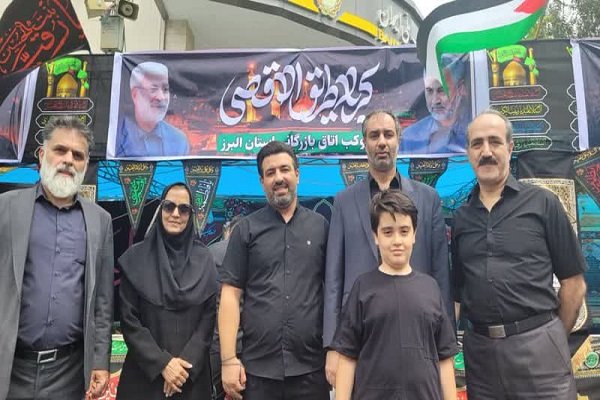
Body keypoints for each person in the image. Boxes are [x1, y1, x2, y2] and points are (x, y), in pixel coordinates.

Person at [452, 109, 587, 399]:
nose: (486, 152)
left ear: (510, 147)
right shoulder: (461, 218)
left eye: (494, 141)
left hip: (540, 351)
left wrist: (551, 336)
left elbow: (574, 285)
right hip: (482, 360)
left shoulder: (543, 204)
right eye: (477, 144)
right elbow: (458, 293)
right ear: (468, 154)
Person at [323, 109, 451, 386]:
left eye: (388, 134)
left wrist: (446, 347)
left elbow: (441, 274)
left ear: (398, 140)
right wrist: (333, 345)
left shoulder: (428, 199)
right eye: (374, 136)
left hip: (418, 333)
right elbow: (333, 279)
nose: (382, 142)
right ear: (364, 143)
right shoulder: (344, 201)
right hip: (359, 337)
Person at [0, 115, 113, 400]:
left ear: (85, 164)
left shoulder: (100, 221)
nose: (68, 160)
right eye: (60, 150)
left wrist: (100, 361)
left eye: (78, 155)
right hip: (9, 366)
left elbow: (102, 301)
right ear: (42, 154)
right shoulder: (6, 209)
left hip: (68, 373)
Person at [219, 141, 330, 400]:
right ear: (262, 182)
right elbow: (230, 295)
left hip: (311, 369)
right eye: (270, 173)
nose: (278, 178)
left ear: (297, 175)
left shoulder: (321, 227)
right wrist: (228, 360)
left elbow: (333, 291)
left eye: (284, 169)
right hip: (257, 372)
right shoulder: (246, 230)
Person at [332, 190, 457, 400]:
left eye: (404, 231)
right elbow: (347, 357)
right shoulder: (363, 288)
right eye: (388, 232)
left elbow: (444, 357)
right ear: (376, 236)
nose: (397, 240)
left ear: (415, 234)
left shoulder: (431, 288)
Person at [117, 182, 217, 399]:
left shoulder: (205, 261)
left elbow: (208, 321)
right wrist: (163, 364)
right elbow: (129, 320)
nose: (176, 214)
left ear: (191, 215)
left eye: (184, 209)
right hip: (144, 377)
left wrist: (183, 367)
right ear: (160, 209)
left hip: (191, 378)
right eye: (169, 206)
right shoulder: (136, 259)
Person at [116, 61, 190, 157]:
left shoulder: (179, 141)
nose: (161, 97)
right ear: (135, 95)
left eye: (165, 89)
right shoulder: (116, 136)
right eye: (153, 89)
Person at [401, 54, 470, 154]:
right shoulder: (409, 138)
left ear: (460, 89)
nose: (434, 101)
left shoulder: (475, 132)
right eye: (429, 91)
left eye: (441, 91)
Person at [208, 214, 244, 400]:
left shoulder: (211, 253)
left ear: (228, 231)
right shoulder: (256, 253)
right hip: (250, 345)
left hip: (216, 342)